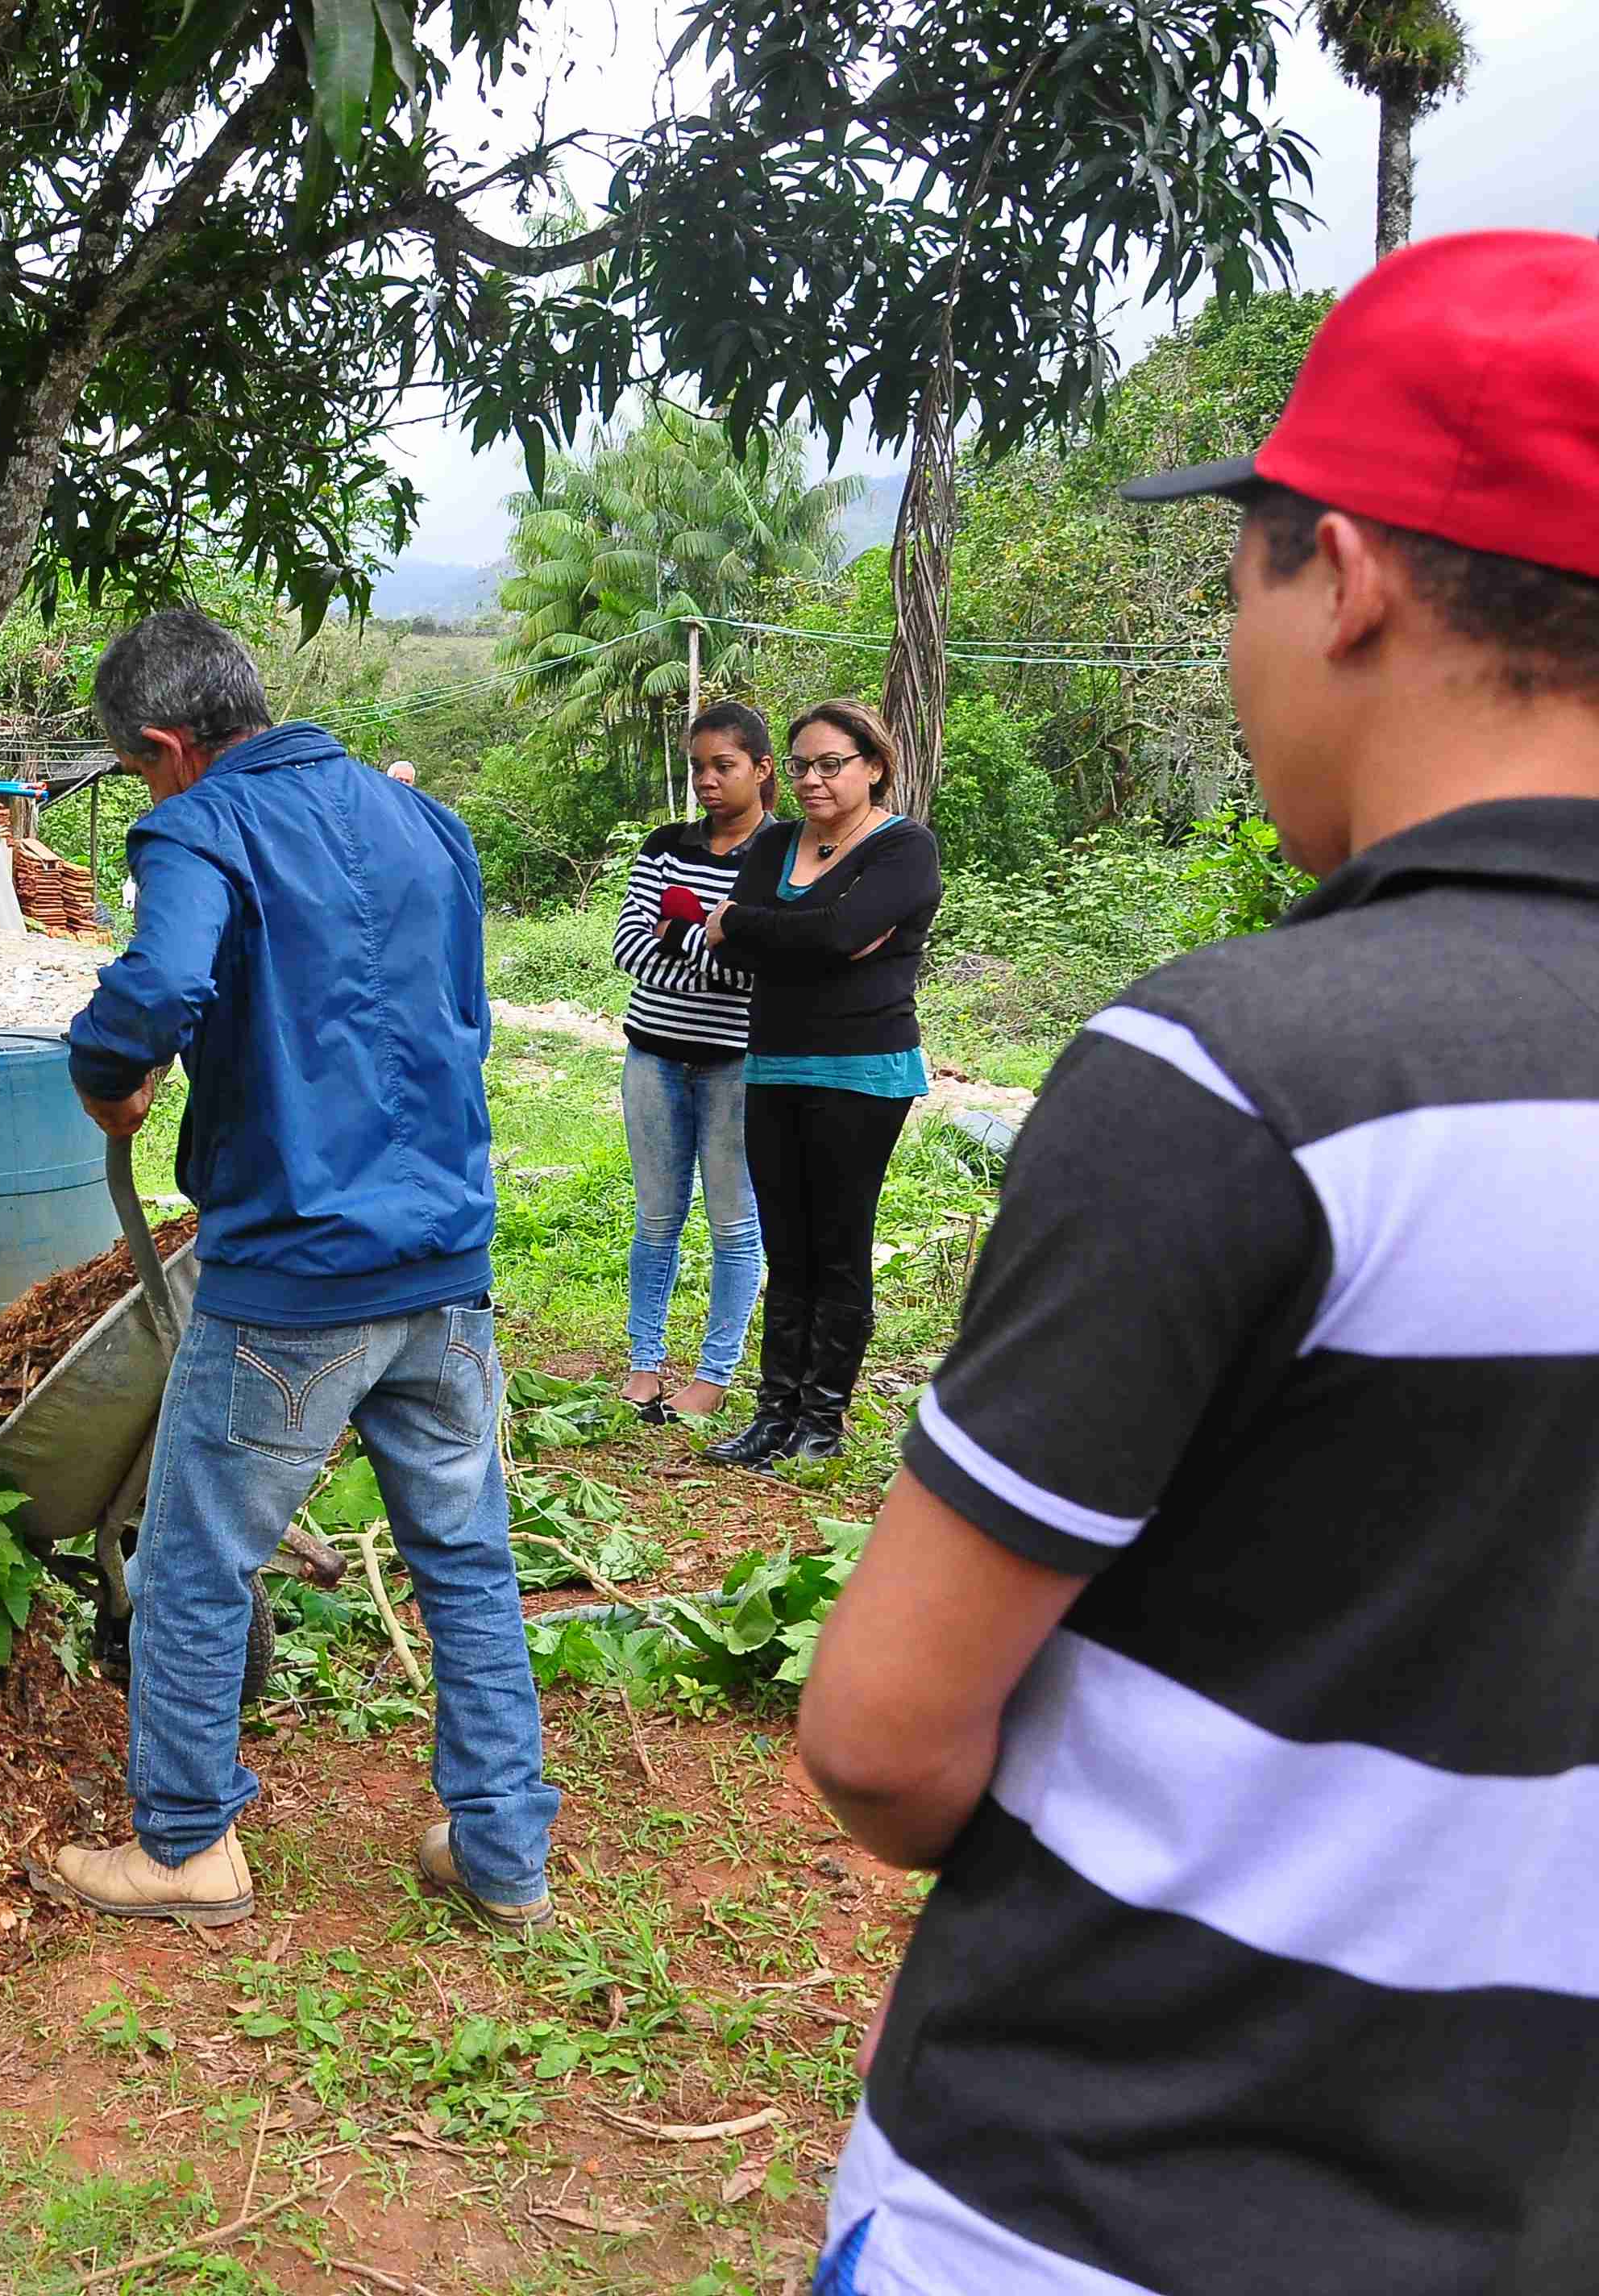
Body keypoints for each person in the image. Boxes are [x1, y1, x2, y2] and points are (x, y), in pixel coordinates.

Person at [795, 230, 1599, 2296]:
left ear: (1341, 577)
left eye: (1236, 567)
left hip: (1102, 2195)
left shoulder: (1242, 1075)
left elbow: (883, 1732)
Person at [48, 608, 553, 1931]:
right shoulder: (423, 821)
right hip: (440, 1256)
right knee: (465, 1553)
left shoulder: (197, 824)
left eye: (139, 769)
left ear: (166, 746)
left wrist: (110, 1077)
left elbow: (156, 980)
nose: (147, 792)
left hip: (293, 1274)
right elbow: (459, 1014)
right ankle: (501, 1851)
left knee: (197, 1558)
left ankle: (184, 1847)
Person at [693, 701, 941, 1467]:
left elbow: (823, 934)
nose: (812, 779)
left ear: (874, 766)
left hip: (863, 1072)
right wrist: (805, 936)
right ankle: (774, 1415)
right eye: (800, 765)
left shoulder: (904, 848)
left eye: (831, 763)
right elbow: (754, 951)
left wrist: (754, 925)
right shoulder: (776, 847)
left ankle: (822, 1422)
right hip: (772, 1062)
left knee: (838, 1244)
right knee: (787, 1246)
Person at [610, 702, 773, 1423]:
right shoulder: (666, 845)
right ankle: (644, 1363)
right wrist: (717, 943)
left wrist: (680, 940)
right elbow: (629, 952)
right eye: (698, 767)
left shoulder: (783, 856)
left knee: (736, 1225)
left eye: (723, 766)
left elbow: (769, 969)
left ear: (763, 770)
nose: (707, 780)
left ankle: (712, 1375)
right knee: (656, 1220)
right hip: (653, 1057)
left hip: (738, 1067)